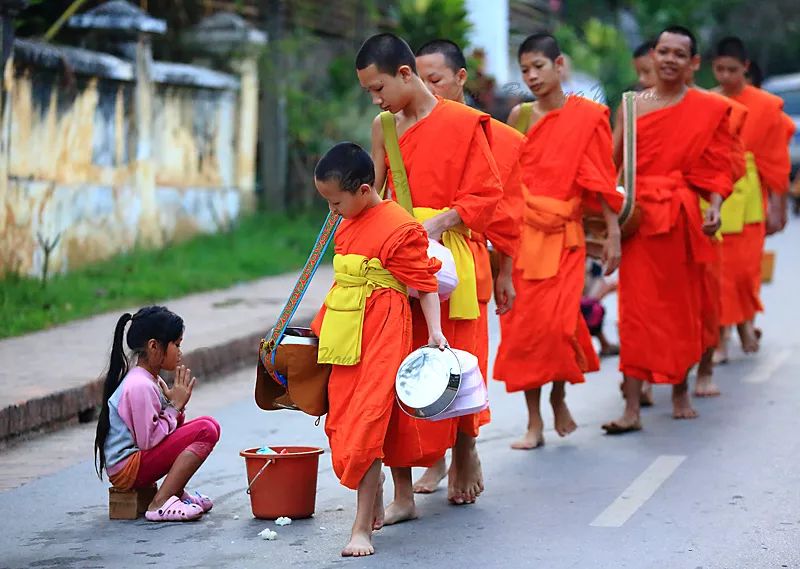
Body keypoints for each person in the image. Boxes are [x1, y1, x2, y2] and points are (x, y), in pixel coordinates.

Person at [356, 33, 503, 508]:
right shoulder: (385, 127)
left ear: (404, 74)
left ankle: (465, 448)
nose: (376, 100)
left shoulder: (463, 122)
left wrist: (435, 225)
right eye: (369, 94)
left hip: (454, 252)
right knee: (406, 362)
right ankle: (411, 475)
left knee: (459, 358)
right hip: (404, 259)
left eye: (379, 89)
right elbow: (372, 196)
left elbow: (486, 195)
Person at [310, 142, 447, 557]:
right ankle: (378, 490)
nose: (332, 211)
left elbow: (424, 282)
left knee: (368, 422)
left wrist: (436, 334)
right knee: (343, 420)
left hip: (384, 332)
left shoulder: (397, 225)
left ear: (365, 190)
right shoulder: (346, 222)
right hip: (345, 331)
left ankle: (360, 528)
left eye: (336, 201)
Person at [493, 33, 623, 449]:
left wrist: (613, 231)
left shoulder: (589, 116)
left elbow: (602, 178)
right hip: (524, 237)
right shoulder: (520, 117)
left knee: (559, 327)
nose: (531, 76)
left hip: (566, 239)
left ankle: (560, 397)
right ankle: (534, 422)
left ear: (559, 65)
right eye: (525, 69)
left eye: (539, 66)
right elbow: (506, 179)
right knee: (524, 333)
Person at [602, 26, 732, 433]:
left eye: (680, 53)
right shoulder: (631, 105)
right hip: (639, 220)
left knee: (682, 309)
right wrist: (609, 224)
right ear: (652, 56)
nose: (670, 59)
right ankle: (632, 408)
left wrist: (717, 207)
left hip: (681, 219)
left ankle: (680, 390)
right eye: (664, 51)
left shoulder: (707, 108)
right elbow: (611, 166)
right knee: (636, 312)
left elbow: (719, 163)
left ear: (693, 63)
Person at [412, 38, 522, 495]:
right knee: (422, 359)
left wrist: (505, 273)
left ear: (461, 78)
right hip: (415, 262)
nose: (429, 90)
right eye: (421, 81)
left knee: (463, 361)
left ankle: (466, 450)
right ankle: (432, 456)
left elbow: (508, 211)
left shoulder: (499, 137)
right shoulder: (399, 128)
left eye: (436, 80)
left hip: (465, 256)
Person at [94, 306, 220, 522]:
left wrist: (175, 407)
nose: (180, 352)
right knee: (206, 429)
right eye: (176, 345)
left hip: (136, 461)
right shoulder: (139, 385)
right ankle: (160, 502)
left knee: (210, 425)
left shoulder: (151, 380)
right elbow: (149, 440)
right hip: (128, 468)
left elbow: (166, 433)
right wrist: (174, 407)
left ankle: (177, 492)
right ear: (154, 346)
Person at [712, 37, 794, 359]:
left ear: (745, 67)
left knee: (745, 272)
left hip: (749, 200)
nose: (725, 77)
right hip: (715, 197)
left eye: (732, 70)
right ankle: (720, 337)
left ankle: (745, 321)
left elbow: (776, 161)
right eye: (719, 69)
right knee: (717, 273)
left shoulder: (765, 105)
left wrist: (779, 205)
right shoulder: (708, 102)